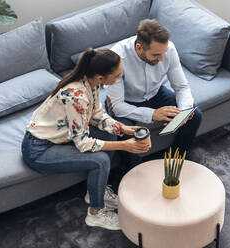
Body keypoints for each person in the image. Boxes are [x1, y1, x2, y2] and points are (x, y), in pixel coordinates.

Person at [21, 48, 150, 231]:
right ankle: (95, 214)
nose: (120, 77)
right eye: (118, 74)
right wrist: (124, 145)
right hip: (39, 149)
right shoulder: (76, 96)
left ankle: (94, 192)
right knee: (100, 160)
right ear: (100, 77)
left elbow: (96, 113)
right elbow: (82, 142)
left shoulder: (90, 83)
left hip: (60, 138)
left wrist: (122, 128)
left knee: (110, 132)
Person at [105, 19, 202, 168]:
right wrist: (153, 114)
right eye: (156, 55)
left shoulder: (168, 49)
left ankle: (176, 160)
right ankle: (136, 171)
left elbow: (182, 87)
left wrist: (184, 112)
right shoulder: (116, 58)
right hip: (125, 100)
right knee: (123, 132)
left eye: (163, 53)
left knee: (194, 115)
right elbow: (117, 106)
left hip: (155, 93)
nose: (162, 58)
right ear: (139, 48)